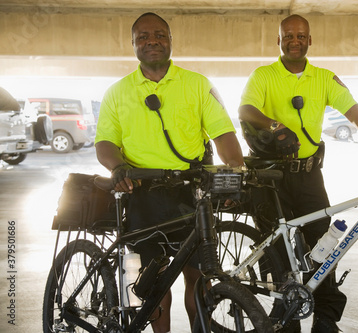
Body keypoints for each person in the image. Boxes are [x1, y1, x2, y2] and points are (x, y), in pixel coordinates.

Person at [239, 14, 358, 333]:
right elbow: (246, 110)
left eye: (301, 36)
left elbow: (356, 114)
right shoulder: (263, 76)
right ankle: (287, 321)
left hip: (309, 177)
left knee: (325, 247)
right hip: (272, 179)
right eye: (288, 36)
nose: (294, 41)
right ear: (279, 41)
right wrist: (277, 126)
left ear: (309, 40)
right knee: (279, 256)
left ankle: (325, 320)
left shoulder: (324, 78)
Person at [95, 12, 244, 333]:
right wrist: (118, 166)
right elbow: (104, 143)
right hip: (143, 195)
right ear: (133, 44)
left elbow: (224, 135)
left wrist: (235, 172)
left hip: (192, 193)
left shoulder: (198, 84)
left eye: (160, 35)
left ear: (171, 40)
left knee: (199, 278)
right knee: (154, 283)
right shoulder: (117, 92)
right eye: (144, 37)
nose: (152, 41)